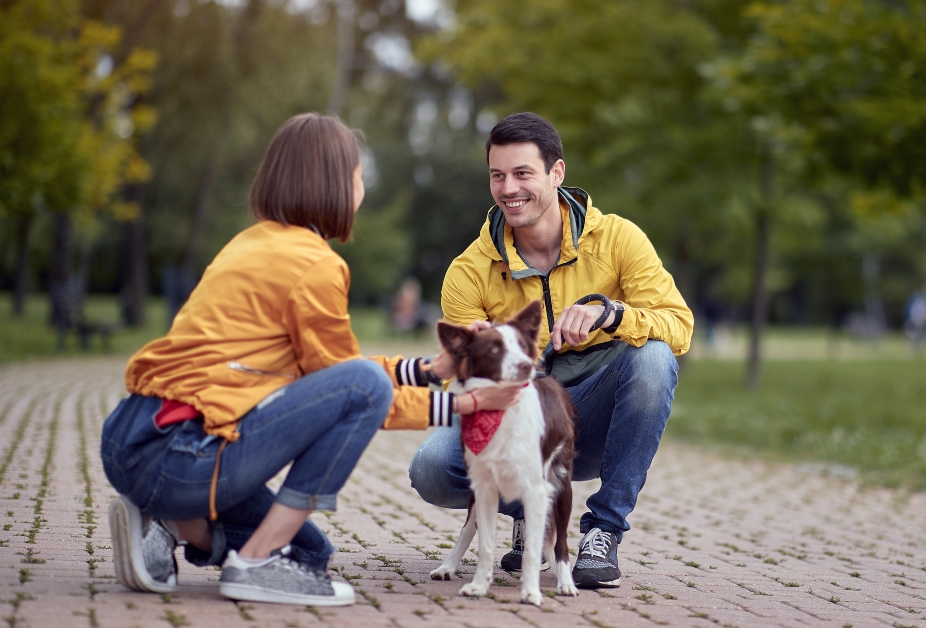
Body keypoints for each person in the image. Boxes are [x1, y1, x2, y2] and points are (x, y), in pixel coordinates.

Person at [100, 113, 519, 606]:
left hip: (132, 435)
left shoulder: (249, 242)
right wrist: (466, 406)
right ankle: (252, 562)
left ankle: (171, 524)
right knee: (363, 388)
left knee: (308, 552)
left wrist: (429, 370)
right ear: (336, 183)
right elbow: (360, 390)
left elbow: (331, 372)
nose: (362, 186)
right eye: (358, 174)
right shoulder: (316, 265)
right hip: (180, 452)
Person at [407, 112, 693, 589]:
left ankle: (604, 530)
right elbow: (463, 383)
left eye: (523, 173)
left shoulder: (618, 239)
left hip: (592, 418)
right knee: (432, 468)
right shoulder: (469, 271)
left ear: (556, 173)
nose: (509, 189)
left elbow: (679, 326)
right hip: (514, 413)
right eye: (498, 175)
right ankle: (528, 513)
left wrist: (612, 314)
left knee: (654, 359)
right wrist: (475, 354)